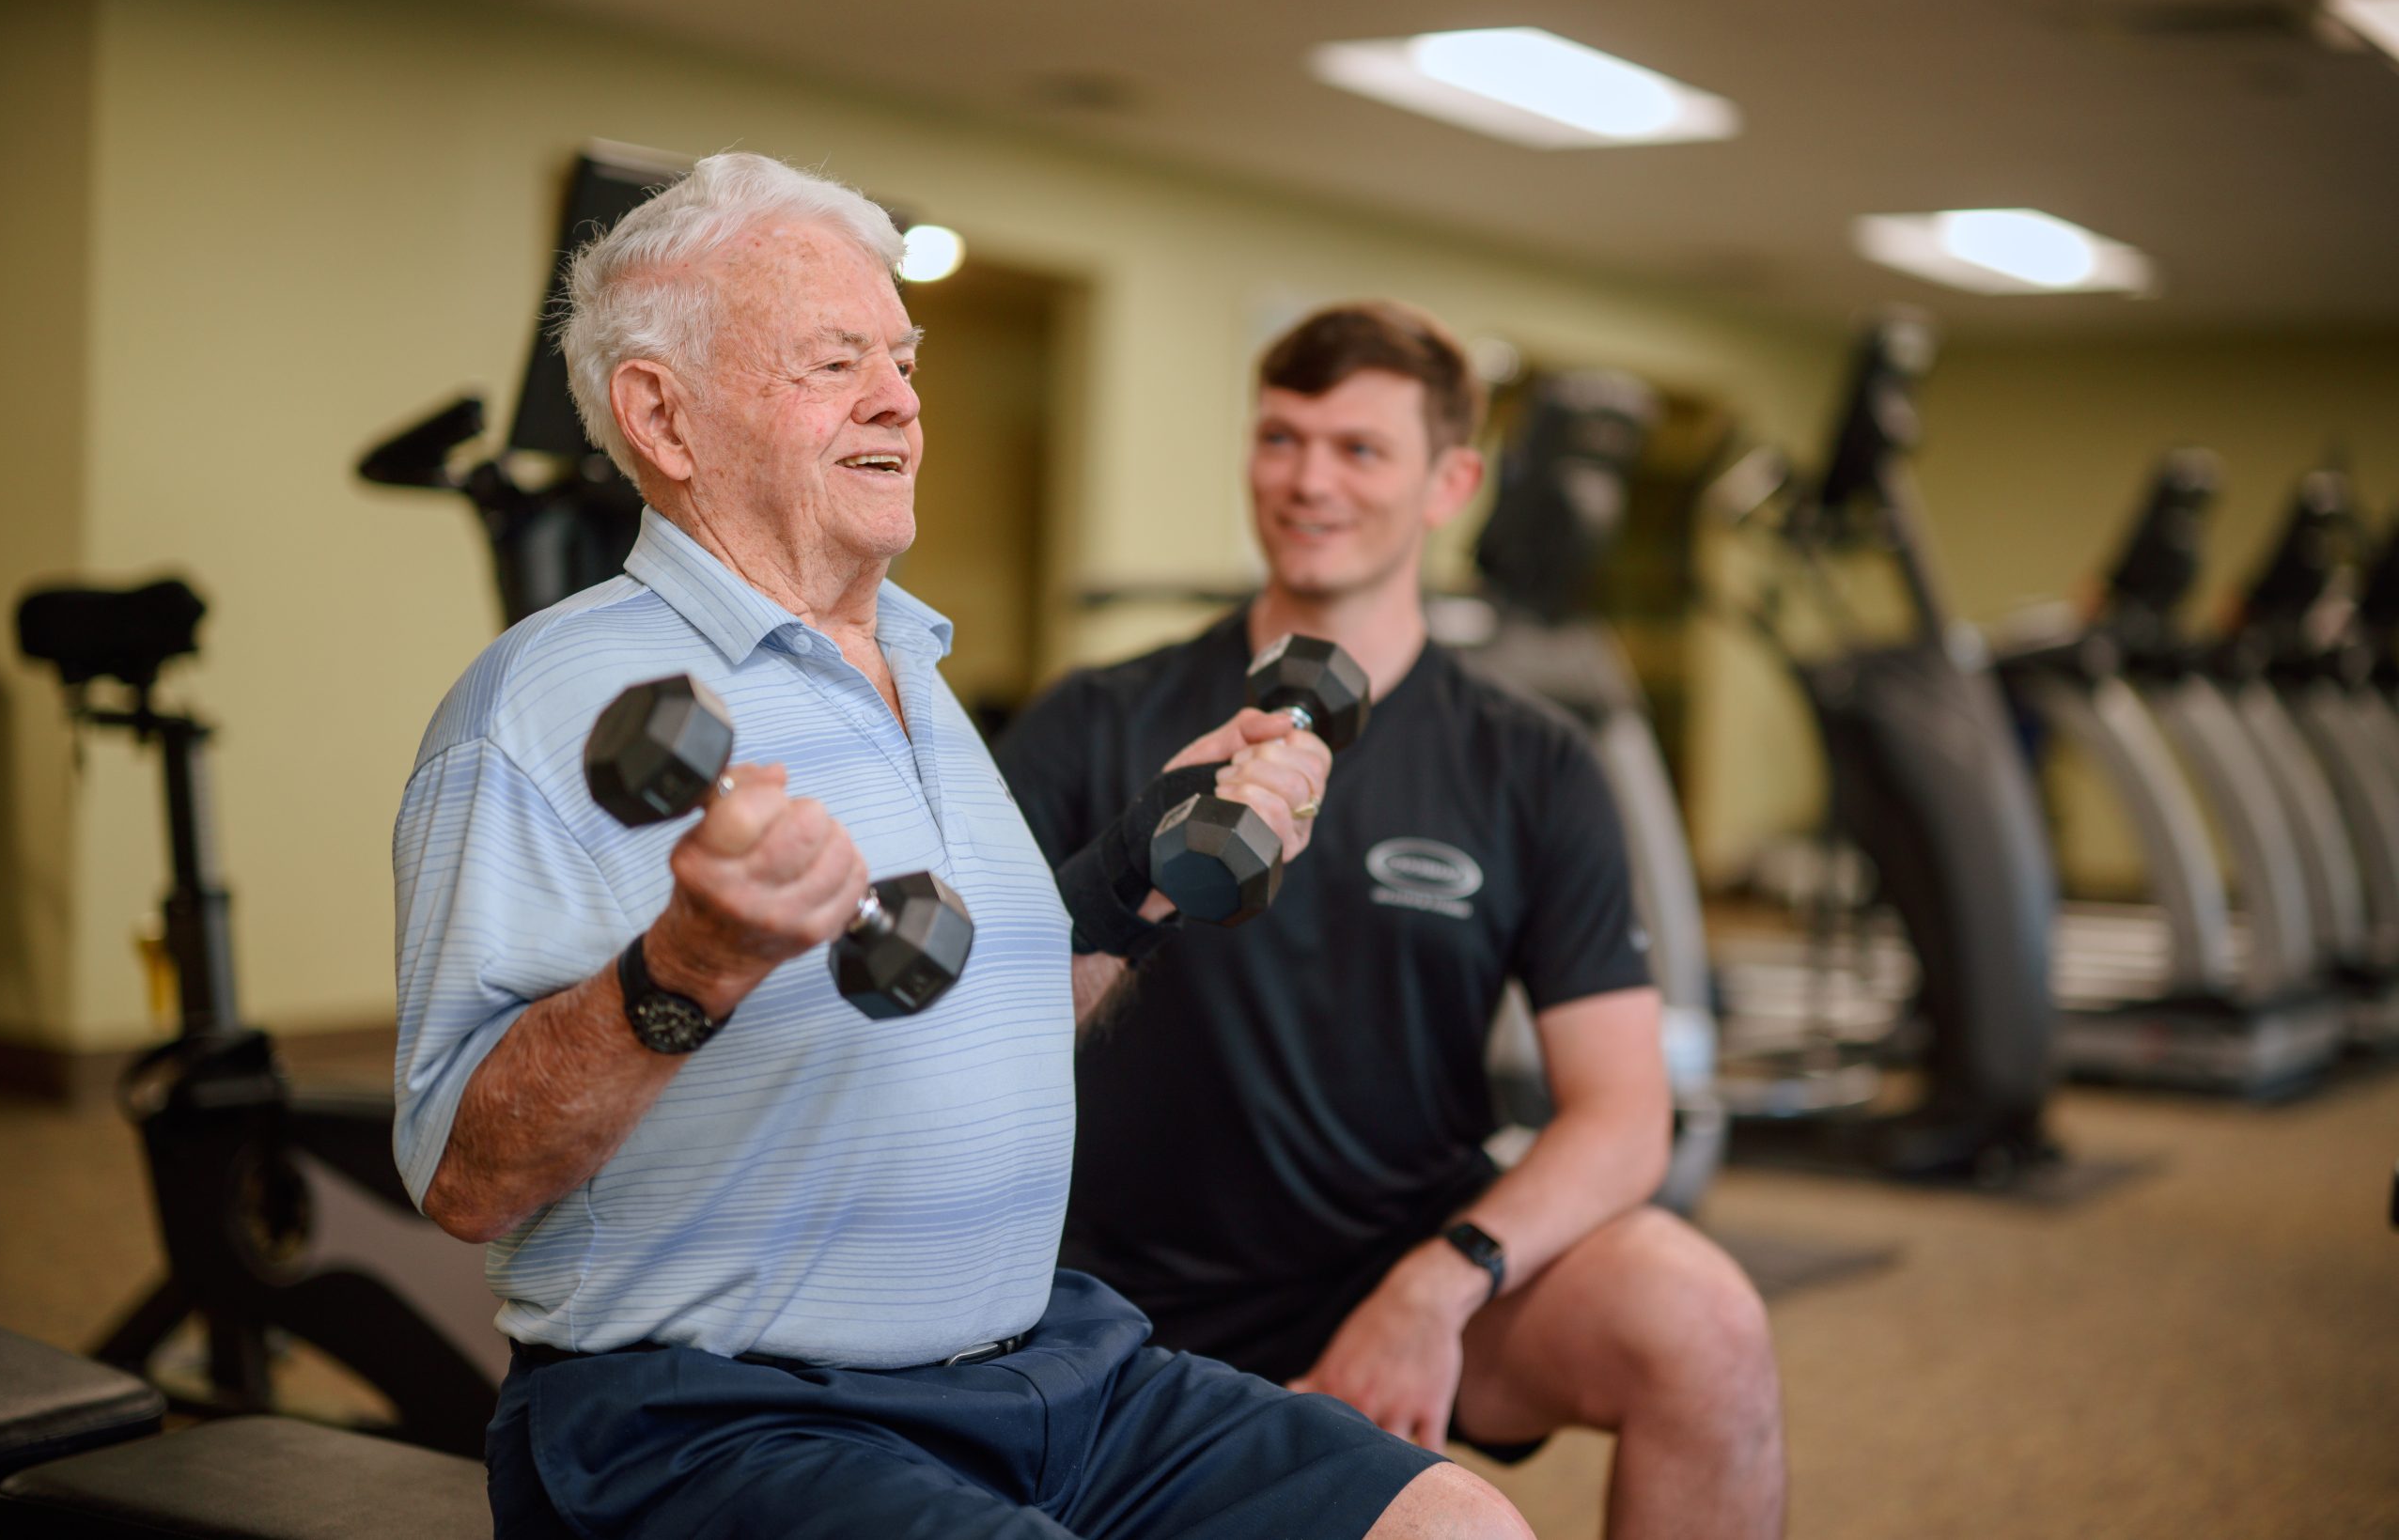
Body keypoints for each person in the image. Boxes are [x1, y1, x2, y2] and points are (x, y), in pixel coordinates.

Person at [391, 157, 1530, 1540]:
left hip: (1047, 1373)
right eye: (835, 362)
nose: (899, 400)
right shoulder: (539, 705)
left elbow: (981, 1021)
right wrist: (688, 967)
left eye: (903, 359)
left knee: (1456, 1528)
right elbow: (466, 1179)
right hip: (716, 1417)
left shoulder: (917, 671)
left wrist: (1132, 873)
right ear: (662, 416)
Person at [997, 303, 1787, 1538]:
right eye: (1281, 439)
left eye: (1359, 449)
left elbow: (1624, 1114)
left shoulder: (1533, 764)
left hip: (1402, 1250)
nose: (1309, 481)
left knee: (1705, 1322)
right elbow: (973, 1018)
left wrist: (1440, 1282)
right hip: (1119, 1282)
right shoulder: (1098, 719)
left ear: (1450, 482)